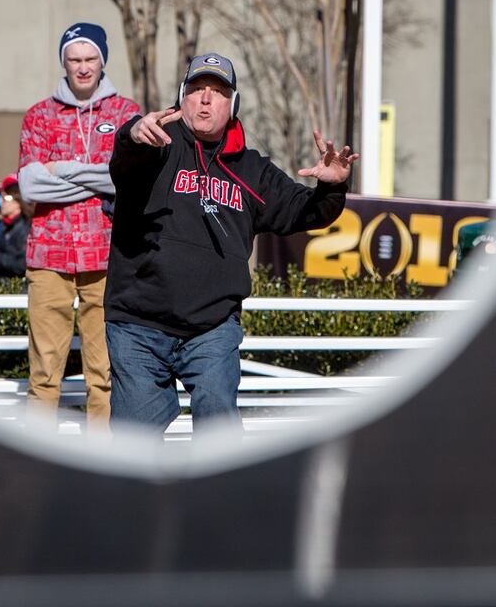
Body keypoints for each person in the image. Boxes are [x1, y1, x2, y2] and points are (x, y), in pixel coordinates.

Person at [105, 52, 358, 434]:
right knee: (133, 443)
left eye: (218, 91)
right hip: (139, 325)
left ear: (233, 104)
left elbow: (307, 212)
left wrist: (332, 186)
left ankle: (217, 496)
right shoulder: (156, 144)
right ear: (181, 97)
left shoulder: (252, 169)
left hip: (211, 328)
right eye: (197, 89)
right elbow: (125, 164)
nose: (206, 99)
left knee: (219, 432)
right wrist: (131, 135)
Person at [17, 22, 140, 429]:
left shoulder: (127, 114)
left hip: (107, 255)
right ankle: (37, 458)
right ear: (63, 63)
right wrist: (93, 173)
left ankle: (102, 464)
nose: (82, 68)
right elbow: (30, 183)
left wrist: (62, 169)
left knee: (103, 374)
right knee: (43, 374)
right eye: (74, 59)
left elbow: (128, 180)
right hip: (47, 256)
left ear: (103, 61)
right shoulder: (39, 115)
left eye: (90, 59)